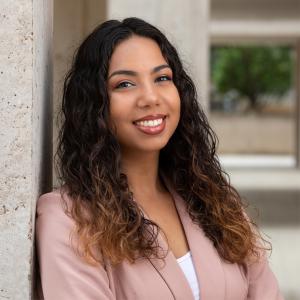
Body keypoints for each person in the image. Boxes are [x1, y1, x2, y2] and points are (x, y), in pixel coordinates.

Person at [35, 17, 283, 300]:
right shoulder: (69, 220)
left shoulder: (216, 203)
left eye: (162, 78)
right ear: (93, 105)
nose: (151, 97)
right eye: (125, 84)